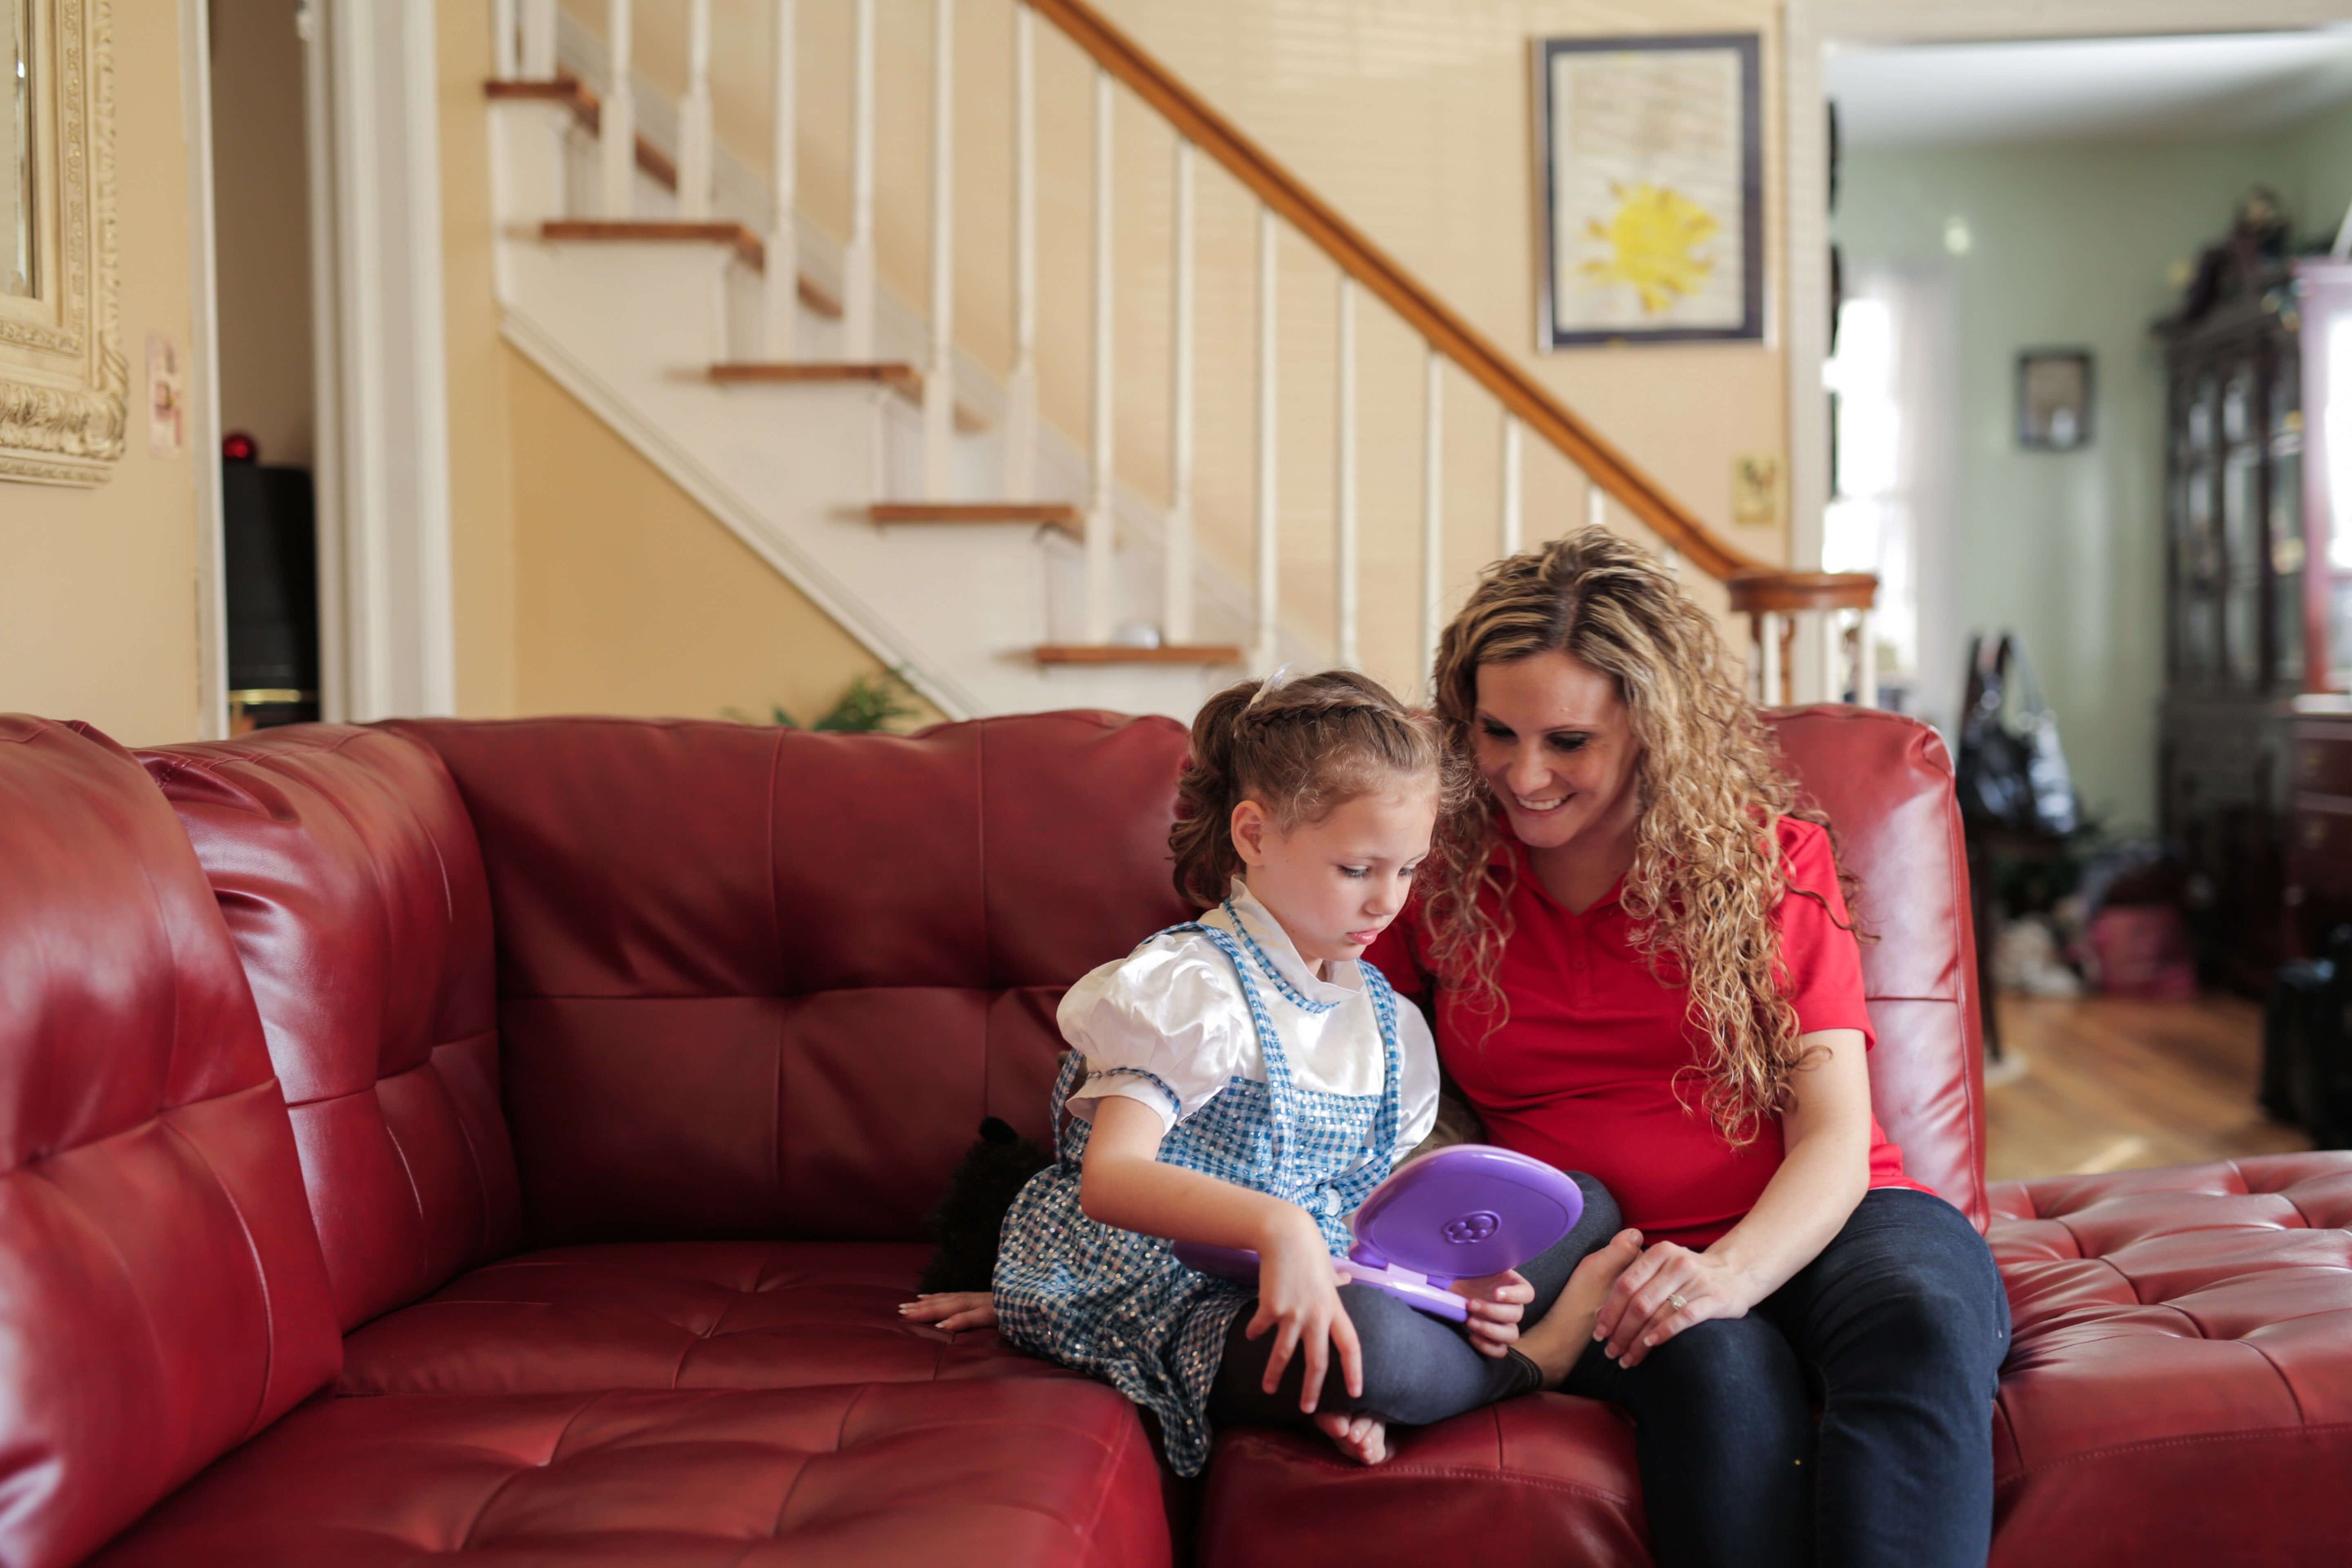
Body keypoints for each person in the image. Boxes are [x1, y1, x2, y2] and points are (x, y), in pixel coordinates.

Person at [1363, 527, 2009, 1566]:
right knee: (1718, 1379)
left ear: (1654, 729)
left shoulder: (1766, 865)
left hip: (1835, 1219)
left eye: (1568, 742)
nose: (1521, 775)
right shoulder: (1426, 874)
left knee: (1924, 1324)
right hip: (1604, 1260)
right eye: (1494, 732)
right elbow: (1344, 1089)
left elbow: (1836, 1137)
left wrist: (1730, 1271)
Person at [904, 670, 1641, 1475]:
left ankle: (1398, 1368)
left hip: (1320, 1266)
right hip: (1165, 1283)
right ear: (1254, 836)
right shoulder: (1191, 988)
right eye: (1357, 870)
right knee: (1379, 1347)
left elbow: (1357, 1214)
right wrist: (1277, 1225)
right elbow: (1109, 1180)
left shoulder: (1382, 1019)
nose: (1385, 903)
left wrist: (1449, 1285)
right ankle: (1535, 1363)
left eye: (1408, 869)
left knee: (1582, 1204)